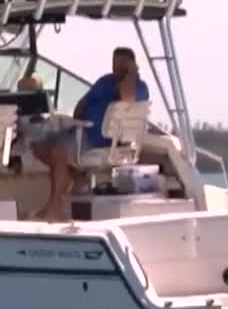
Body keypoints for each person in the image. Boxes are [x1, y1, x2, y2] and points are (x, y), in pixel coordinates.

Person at [29, 46, 149, 221]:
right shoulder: (105, 81)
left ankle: (55, 207)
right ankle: (78, 178)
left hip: (100, 140)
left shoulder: (138, 86)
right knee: (38, 146)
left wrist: (131, 74)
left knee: (57, 152)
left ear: (131, 65)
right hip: (83, 130)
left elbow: (127, 98)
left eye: (122, 64)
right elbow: (84, 101)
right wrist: (77, 119)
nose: (116, 68)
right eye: (115, 63)